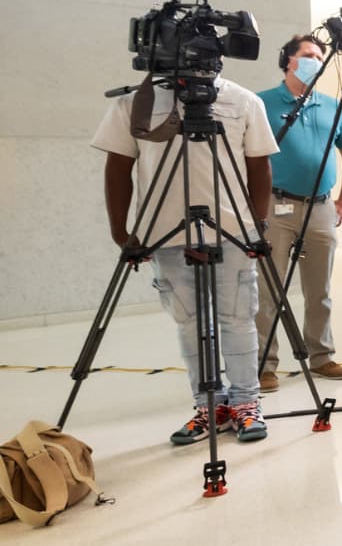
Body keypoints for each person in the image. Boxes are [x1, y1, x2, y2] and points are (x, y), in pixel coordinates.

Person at [93, 75, 277, 444]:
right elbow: (118, 165)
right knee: (189, 323)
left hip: (233, 229)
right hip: (164, 231)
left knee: (238, 318)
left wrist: (258, 226)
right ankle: (208, 405)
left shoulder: (243, 101)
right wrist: (120, 230)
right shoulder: (135, 102)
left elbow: (259, 166)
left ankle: (245, 402)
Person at [252, 34, 342, 392]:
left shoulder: (331, 105)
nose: (315, 60)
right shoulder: (263, 103)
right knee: (269, 289)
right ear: (288, 60)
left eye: (319, 55)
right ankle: (265, 364)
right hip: (276, 207)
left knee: (320, 290)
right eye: (308, 54)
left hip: (321, 207)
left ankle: (322, 356)